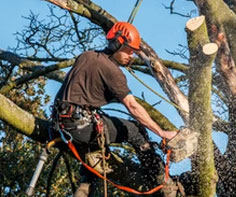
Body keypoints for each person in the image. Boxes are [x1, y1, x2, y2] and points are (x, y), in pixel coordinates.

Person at [53, 22, 178, 196]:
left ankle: (85, 186)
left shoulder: (86, 56)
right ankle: (163, 182)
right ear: (117, 44)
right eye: (129, 50)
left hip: (60, 125)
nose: (131, 55)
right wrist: (162, 133)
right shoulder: (112, 71)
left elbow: (86, 90)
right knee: (135, 130)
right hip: (81, 125)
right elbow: (132, 106)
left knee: (96, 149)